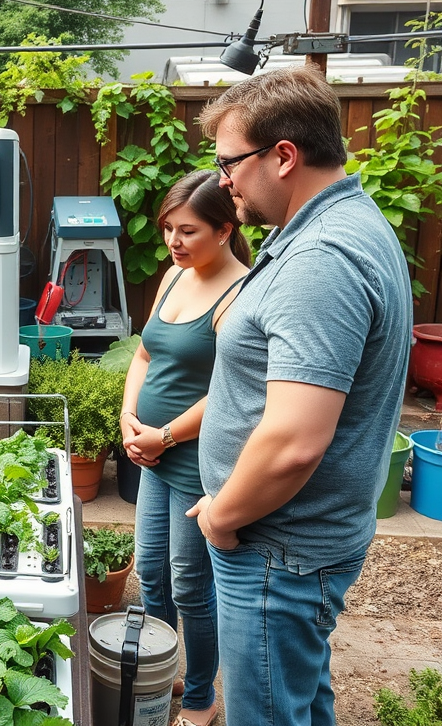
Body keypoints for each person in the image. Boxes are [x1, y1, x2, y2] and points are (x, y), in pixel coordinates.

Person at [189, 65, 412, 726]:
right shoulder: (339, 222)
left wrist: (225, 516)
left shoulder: (323, 259)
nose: (221, 178)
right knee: (297, 700)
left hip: (273, 551)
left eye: (230, 161)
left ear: (284, 155)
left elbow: (292, 444)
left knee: (266, 713)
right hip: (287, 541)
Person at [120, 170, 250, 726]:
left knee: (191, 585)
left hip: (196, 461)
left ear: (224, 229)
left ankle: (200, 696)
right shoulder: (175, 277)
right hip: (150, 453)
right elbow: (145, 355)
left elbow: (230, 390)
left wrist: (165, 434)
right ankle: (166, 666)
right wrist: (128, 418)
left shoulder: (240, 291)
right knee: (150, 572)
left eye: (188, 231)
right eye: (168, 228)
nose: (173, 242)